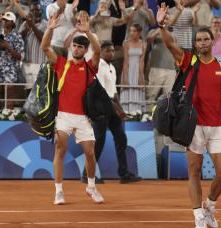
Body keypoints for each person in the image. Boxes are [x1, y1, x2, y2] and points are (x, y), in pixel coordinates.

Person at [156, 3, 221, 228]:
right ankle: (198, 216)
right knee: (194, 172)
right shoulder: (188, 61)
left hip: (217, 127)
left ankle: (210, 206)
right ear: (195, 44)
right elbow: (169, 43)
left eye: (206, 40)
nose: (203, 43)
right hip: (193, 127)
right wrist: (161, 25)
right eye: (199, 40)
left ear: (212, 41)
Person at [40, 12, 104, 205]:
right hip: (63, 116)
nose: (76, 49)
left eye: (80, 47)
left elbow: (98, 51)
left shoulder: (91, 67)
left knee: (90, 153)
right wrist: (50, 29)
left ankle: (91, 187)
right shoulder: (61, 63)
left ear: (85, 50)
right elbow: (44, 47)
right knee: (60, 149)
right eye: (74, 46)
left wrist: (89, 32)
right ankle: (59, 191)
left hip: (83, 117)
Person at [81, 41, 142, 184]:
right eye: (108, 50)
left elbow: (114, 93)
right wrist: (114, 109)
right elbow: (100, 91)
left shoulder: (112, 67)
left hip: (112, 106)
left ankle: (124, 174)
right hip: (100, 107)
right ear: (101, 52)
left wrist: (120, 110)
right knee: (99, 142)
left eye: (113, 50)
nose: (112, 53)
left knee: (121, 138)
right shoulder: (99, 66)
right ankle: (86, 174)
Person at [0, 11, 24, 108]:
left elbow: (20, 56)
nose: (4, 22)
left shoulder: (17, 36)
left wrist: (8, 47)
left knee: (10, 94)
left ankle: (9, 116)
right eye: (3, 20)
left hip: (11, 68)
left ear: (13, 23)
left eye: (7, 20)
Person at [18, 1, 47, 96]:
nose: (35, 11)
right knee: (28, 89)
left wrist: (33, 26)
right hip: (26, 63)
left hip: (39, 63)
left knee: (39, 90)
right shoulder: (24, 24)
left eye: (37, 9)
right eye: (32, 10)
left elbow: (44, 40)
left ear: (41, 11)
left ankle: (38, 110)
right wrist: (26, 29)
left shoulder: (46, 24)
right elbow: (18, 40)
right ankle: (28, 109)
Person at [120, 23, 146, 113]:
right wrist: (125, 78)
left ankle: (137, 113)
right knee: (127, 90)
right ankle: (126, 113)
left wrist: (141, 77)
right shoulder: (126, 43)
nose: (131, 33)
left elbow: (142, 62)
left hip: (138, 71)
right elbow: (125, 61)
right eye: (130, 31)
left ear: (139, 32)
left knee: (137, 89)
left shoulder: (143, 44)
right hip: (128, 70)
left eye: (134, 31)